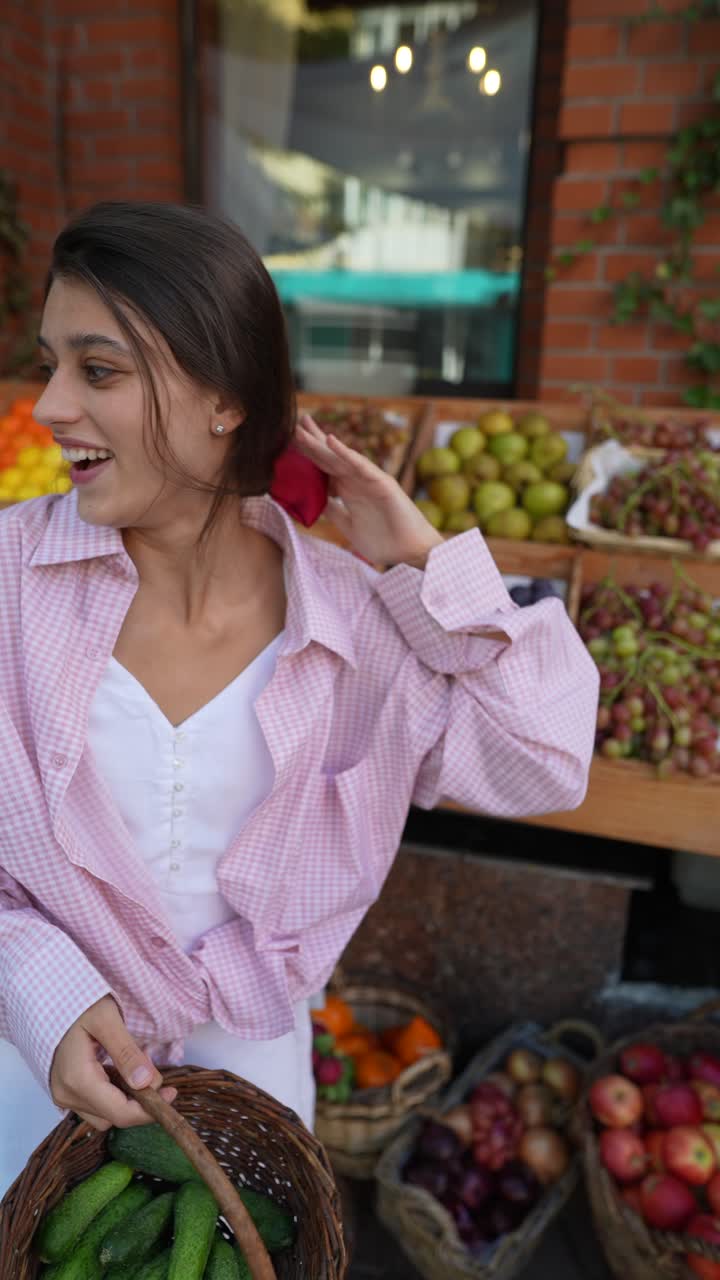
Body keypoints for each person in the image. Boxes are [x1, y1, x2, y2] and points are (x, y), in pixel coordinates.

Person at [0, 201, 599, 1197]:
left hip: (254, 1079)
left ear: (223, 399)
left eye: (97, 370)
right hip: (36, 1071)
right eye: (51, 362)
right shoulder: (11, 585)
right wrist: (40, 990)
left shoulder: (355, 623)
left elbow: (543, 755)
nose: (52, 405)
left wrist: (420, 559)